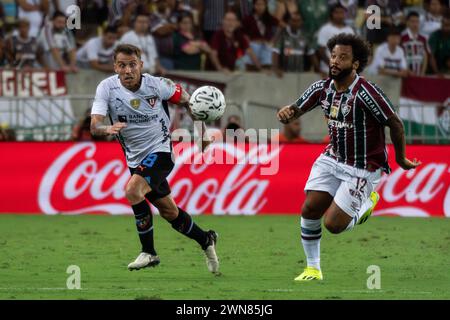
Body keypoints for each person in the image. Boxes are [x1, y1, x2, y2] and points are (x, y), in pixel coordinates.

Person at [277, 33, 421, 281]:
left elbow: (395, 124)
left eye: (343, 57)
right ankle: (313, 269)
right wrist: (287, 114)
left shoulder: (367, 93)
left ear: (355, 64)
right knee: (310, 209)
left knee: (333, 225)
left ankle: (366, 204)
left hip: (363, 167)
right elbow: (296, 109)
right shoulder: (322, 89)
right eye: (333, 56)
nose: (335, 61)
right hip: (333, 158)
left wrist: (401, 158)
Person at [90, 44, 219, 273]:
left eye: (132, 65)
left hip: (160, 152)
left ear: (140, 65)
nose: (127, 70)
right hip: (135, 160)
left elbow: (188, 100)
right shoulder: (106, 88)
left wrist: (202, 131)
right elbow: (95, 124)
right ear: (115, 67)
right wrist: (106, 129)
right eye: (122, 65)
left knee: (132, 190)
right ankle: (206, 240)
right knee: (170, 212)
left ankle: (149, 252)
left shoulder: (158, 85)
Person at [272, 12, 318, 77]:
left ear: (301, 22)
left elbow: (311, 54)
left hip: (300, 74)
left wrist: (318, 70)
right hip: (284, 74)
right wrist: (276, 68)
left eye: (298, 21)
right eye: (293, 21)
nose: (296, 23)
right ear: (289, 21)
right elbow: (275, 52)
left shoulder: (305, 36)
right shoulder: (282, 35)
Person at [317, 4, 354, 76]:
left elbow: (352, 50)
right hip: (327, 69)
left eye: (341, 12)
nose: (339, 15)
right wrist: (332, 64)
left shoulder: (349, 30)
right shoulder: (325, 29)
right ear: (332, 14)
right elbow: (321, 50)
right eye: (336, 12)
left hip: (345, 70)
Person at [401, 11, 439, 75]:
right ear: (407, 22)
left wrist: (423, 73)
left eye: (417, 21)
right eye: (412, 21)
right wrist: (407, 71)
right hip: (405, 74)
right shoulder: (402, 38)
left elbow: (426, 56)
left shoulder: (423, 39)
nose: (415, 24)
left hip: (420, 74)